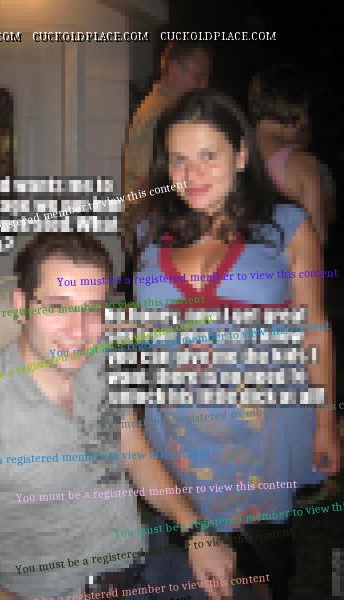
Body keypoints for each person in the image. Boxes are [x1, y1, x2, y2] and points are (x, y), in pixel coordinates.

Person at [124, 90, 340, 599]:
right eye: (179, 158)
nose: (192, 173)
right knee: (192, 553)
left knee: (265, 559)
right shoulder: (148, 233)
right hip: (179, 427)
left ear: (241, 155)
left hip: (264, 430)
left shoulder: (287, 227)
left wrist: (326, 420)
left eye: (208, 155)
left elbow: (314, 327)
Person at [0, 233, 152, 599]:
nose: (79, 331)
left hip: (142, 568)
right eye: (59, 307)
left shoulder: (101, 361)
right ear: (21, 306)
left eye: (93, 309)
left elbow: (137, 456)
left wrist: (194, 530)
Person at [249, 65, 335, 246]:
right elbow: (317, 240)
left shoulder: (230, 151)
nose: (306, 120)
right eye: (304, 110)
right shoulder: (302, 164)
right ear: (291, 106)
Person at [123, 42, 211, 199]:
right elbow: (145, 184)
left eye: (206, 78)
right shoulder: (163, 114)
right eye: (199, 76)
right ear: (174, 70)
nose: (205, 85)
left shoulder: (161, 108)